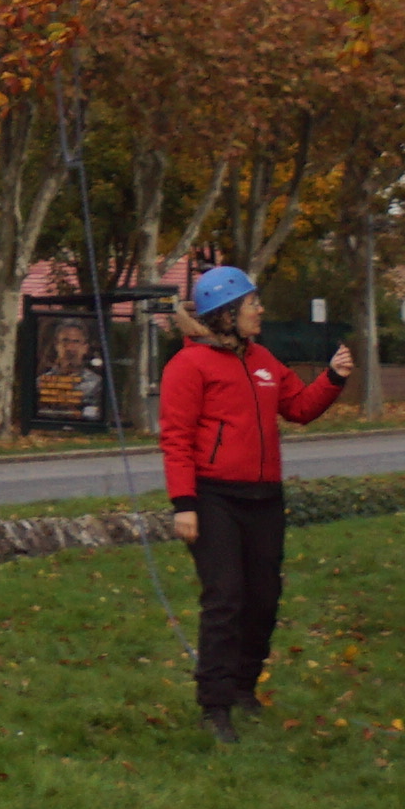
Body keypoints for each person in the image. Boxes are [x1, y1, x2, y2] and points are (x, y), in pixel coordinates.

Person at [155, 266, 344, 737]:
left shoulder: (262, 359)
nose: (259, 310)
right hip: (213, 497)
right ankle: (214, 706)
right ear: (226, 313)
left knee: (264, 598)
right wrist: (184, 504)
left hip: (264, 497)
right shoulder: (189, 365)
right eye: (251, 304)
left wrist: (333, 378)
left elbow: (299, 408)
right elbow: (175, 438)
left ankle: (243, 687)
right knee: (226, 599)